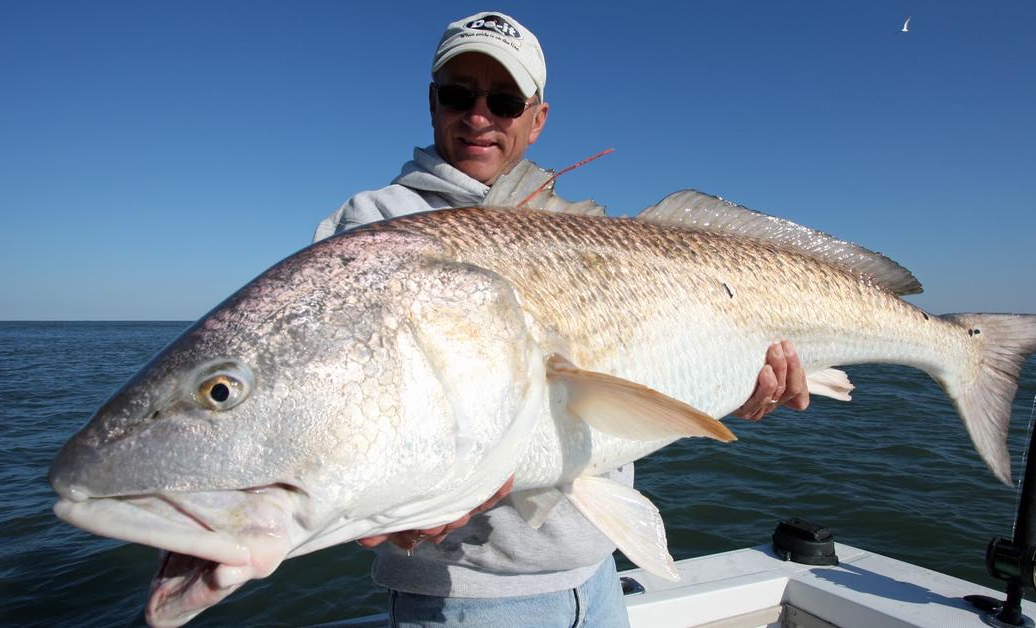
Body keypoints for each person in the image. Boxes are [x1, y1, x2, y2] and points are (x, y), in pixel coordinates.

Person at [312, 11, 809, 627]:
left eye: (505, 100)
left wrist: (729, 387)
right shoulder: (375, 227)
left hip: (598, 579)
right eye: (458, 94)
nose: (478, 116)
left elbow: (652, 369)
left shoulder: (589, 236)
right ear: (433, 102)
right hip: (464, 598)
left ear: (537, 118)